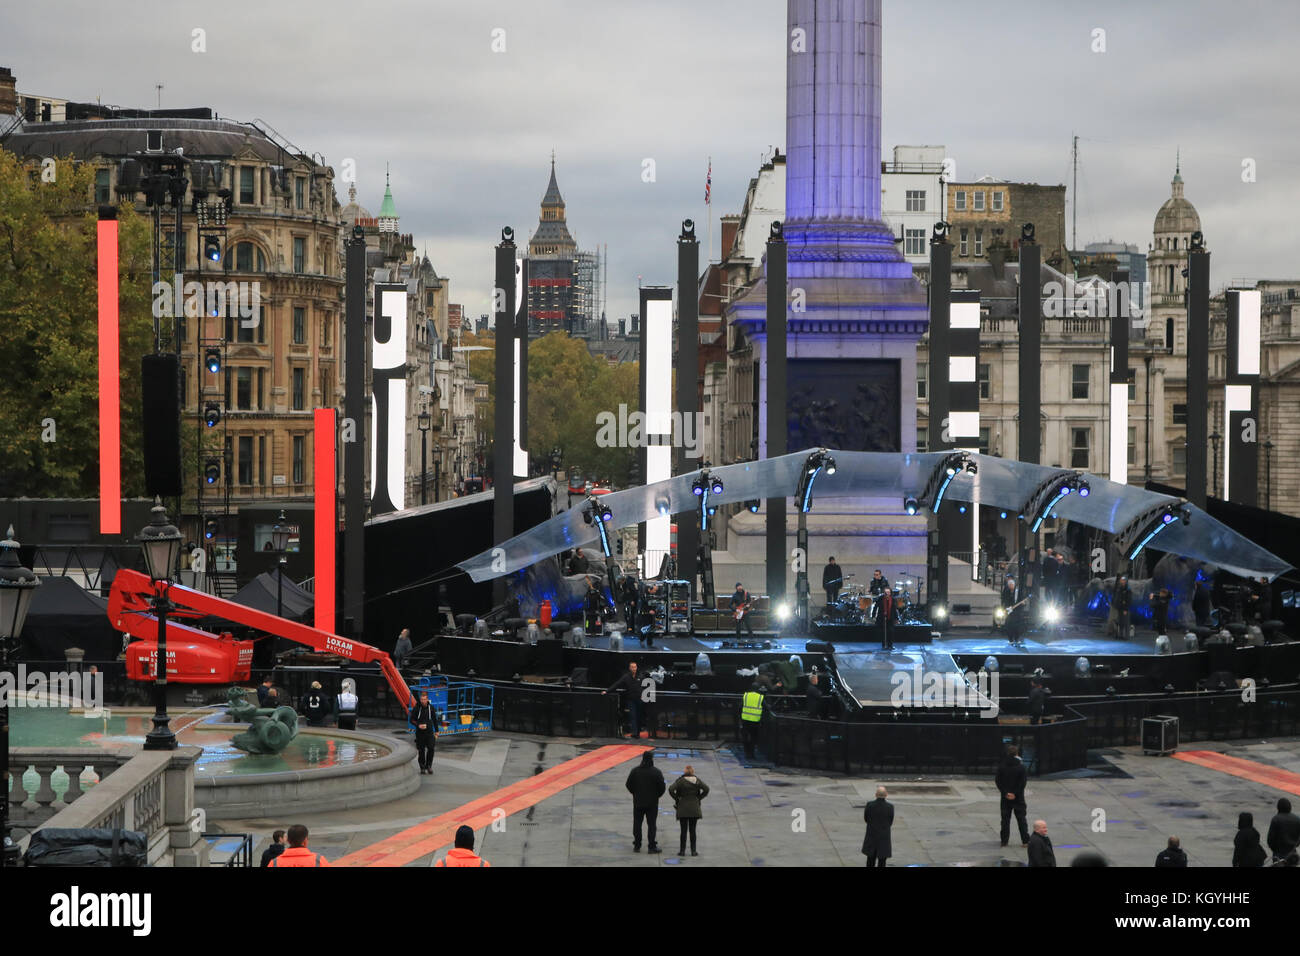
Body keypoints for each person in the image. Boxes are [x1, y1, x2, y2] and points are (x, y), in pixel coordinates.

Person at [625, 751, 666, 853]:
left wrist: (635, 793)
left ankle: (637, 845)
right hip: (652, 803)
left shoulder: (635, 771)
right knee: (652, 825)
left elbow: (628, 784)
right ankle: (651, 846)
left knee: (637, 824)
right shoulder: (656, 772)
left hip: (638, 802)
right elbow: (662, 788)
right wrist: (656, 796)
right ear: (651, 759)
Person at [668, 764, 709, 857]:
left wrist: (677, 799)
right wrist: (699, 798)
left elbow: (671, 789)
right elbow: (706, 789)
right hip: (694, 809)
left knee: (683, 830)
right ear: (693, 772)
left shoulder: (681, 781)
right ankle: (693, 851)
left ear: (685, 772)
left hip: (683, 808)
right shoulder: (697, 780)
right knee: (692, 830)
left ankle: (682, 851)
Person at [996, 745, 1030, 847]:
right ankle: (1025, 841)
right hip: (1018, 798)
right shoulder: (1021, 767)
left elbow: (998, 781)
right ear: (1017, 754)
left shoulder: (1002, 766)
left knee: (1005, 820)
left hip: (1005, 798)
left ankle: (1004, 841)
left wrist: (1005, 793)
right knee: (1021, 819)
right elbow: (1022, 783)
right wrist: (1014, 793)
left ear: (1007, 753)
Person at [603, 661, 644, 738]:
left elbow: (644, 686)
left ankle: (637, 733)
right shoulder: (626, 677)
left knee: (639, 716)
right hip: (630, 699)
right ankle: (634, 733)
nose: (634, 668)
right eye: (632, 667)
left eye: (635, 667)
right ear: (629, 668)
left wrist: (644, 695)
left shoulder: (640, 676)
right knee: (633, 715)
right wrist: (607, 691)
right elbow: (617, 684)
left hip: (639, 699)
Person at [861, 785, 894, 867]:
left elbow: (866, 819)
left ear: (876, 794)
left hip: (871, 836)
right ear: (886, 794)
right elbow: (890, 821)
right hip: (883, 837)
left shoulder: (870, 805)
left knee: (870, 860)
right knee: (882, 861)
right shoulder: (890, 807)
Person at [409, 689, 441, 775]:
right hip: (420, 733)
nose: (423, 701)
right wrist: (418, 725)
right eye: (421, 699)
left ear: (427, 700)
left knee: (431, 748)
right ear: (420, 699)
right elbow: (411, 720)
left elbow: (434, 720)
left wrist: (437, 731)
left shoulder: (431, 708)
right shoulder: (417, 708)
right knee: (421, 750)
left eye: (424, 699)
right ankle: (422, 767)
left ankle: (429, 766)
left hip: (429, 732)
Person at [1266, 797, 1300, 865]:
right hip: (1292, 851)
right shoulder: (1297, 819)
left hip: (1279, 852)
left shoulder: (1276, 819)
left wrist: (1274, 849)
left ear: (1279, 807)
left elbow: (1270, 839)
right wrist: (1295, 844)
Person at [738, 682, 765, 760]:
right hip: (755, 721)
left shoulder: (745, 695)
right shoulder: (760, 697)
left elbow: (740, 707)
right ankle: (752, 754)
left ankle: (746, 753)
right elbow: (766, 707)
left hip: (745, 720)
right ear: (758, 689)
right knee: (753, 738)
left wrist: (740, 717)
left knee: (745, 737)